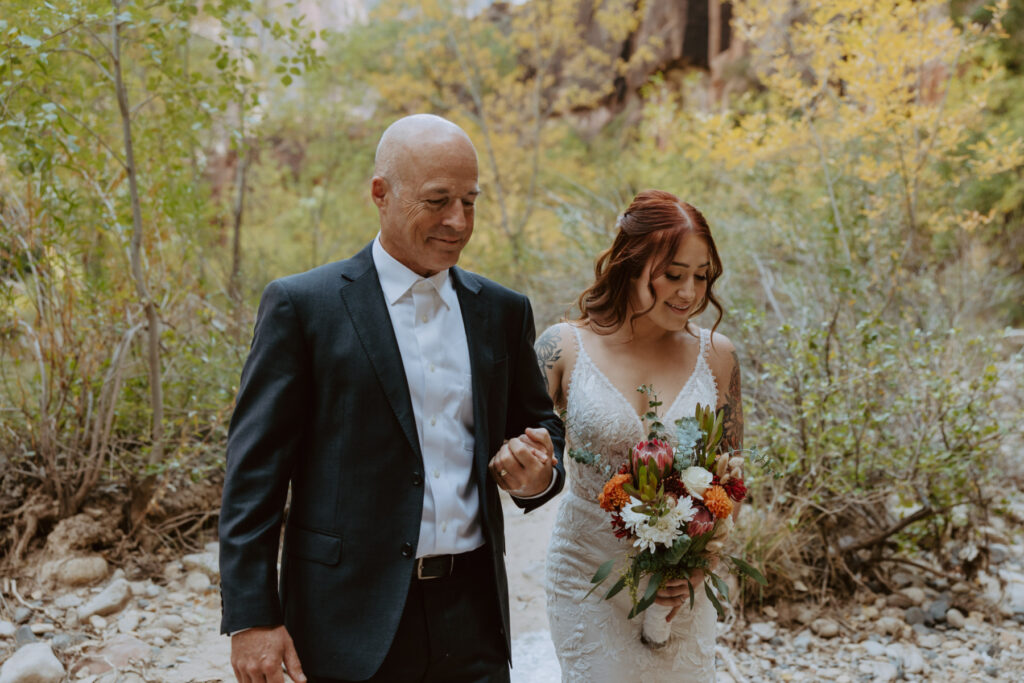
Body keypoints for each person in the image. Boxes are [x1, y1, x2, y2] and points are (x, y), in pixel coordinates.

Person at [218, 113, 565, 683]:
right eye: (437, 200)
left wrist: (537, 472)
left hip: (475, 615)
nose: (458, 221)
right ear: (381, 193)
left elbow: (541, 426)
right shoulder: (303, 307)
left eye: (470, 201)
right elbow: (253, 475)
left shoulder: (502, 311)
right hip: (344, 619)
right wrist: (252, 617)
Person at [535, 190, 743, 681]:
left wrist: (701, 561)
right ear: (630, 262)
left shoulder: (718, 356)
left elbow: (732, 477)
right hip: (586, 571)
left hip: (681, 585)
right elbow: (522, 447)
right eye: (674, 274)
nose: (690, 292)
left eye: (701, 276)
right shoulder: (561, 347)